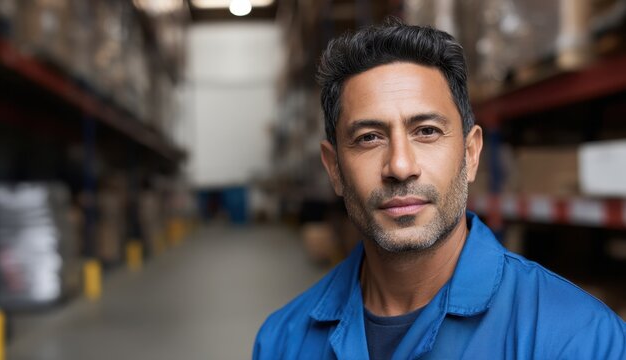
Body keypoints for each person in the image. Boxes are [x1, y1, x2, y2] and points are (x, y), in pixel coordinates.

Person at [253, 19, 626, 359]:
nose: (400, 166)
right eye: (369, 137)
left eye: (427, 131)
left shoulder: (578, 340)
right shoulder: (282, 342)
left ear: (471, 153)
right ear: (334, 168)